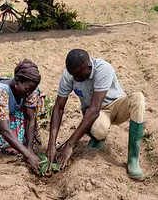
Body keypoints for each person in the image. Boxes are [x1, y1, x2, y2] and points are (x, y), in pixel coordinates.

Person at [46, 49, 146, 179]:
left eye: (77, 75)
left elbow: (94, 109)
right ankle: (97, 137)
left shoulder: (103, 69)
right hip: (98, 113)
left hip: (116, 105)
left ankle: (133, 159)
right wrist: (51, 144)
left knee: (137, 98)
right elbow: (59, 107)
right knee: (99, 130)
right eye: (72, 75)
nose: (75, 78)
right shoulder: (69, 75)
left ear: (88, 66)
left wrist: (70, 144)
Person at [0, 59, 46, 171]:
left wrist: (30, 149)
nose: (28, 94)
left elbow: (30, 118)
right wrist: (28, 155)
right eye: (27, 90)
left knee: (27, 144)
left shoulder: (31, 89)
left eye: (31, 91)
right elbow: (4, 129)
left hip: (10, 113)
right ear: (17, 81)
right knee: (14, 149)